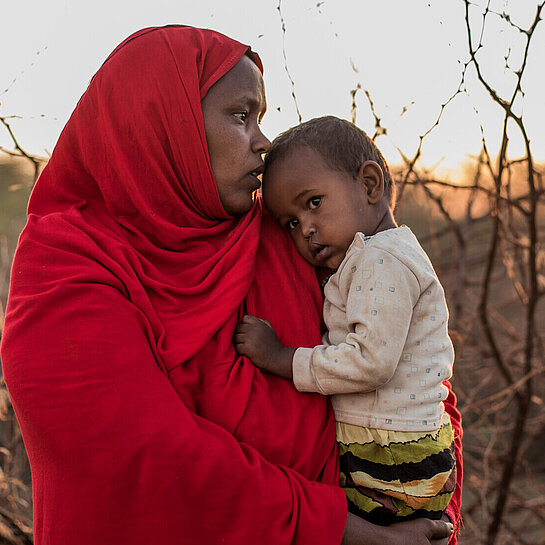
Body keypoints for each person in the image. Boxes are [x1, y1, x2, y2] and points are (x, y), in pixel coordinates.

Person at [0, 26, 461, 544]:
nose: (264, 143)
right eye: (242, 117)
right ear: (163, 123)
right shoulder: (66, 271)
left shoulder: (282, 235)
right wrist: (347, 532)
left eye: (260, 119)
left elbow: (412, 371)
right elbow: (147, 455)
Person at [236, 116, 458, 525]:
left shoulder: (383, 260)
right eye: (291, 223)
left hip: (395, 459)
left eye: (314, 203)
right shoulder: (366, 259)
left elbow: (370, 362)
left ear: (370, 185)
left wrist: (282, 357)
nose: (306, 229)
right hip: (386, 449)